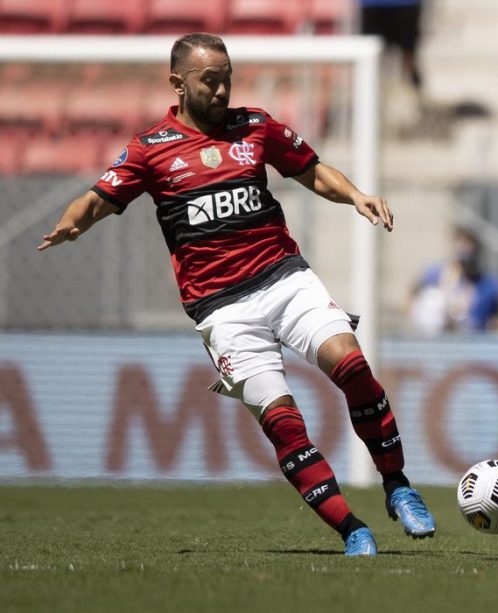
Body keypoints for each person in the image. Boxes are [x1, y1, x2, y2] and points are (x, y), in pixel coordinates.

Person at [37, 33, 435, 557]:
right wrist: (70, 226)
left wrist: (356, 195)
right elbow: (97, 200)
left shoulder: (257, 126)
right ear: (178, 83)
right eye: (210, 80)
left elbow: (310, 169)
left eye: (228, 77)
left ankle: (398, 485)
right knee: (284, 423)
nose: (223, 89)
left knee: (354, 367)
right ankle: (351, 530)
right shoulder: (150, 150)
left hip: (284, 278)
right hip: (221, 308)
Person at [409, 226, 498, 335]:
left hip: (474, 342)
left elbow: (497, 320)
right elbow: (413, 293)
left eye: (469, 245)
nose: (466, 251)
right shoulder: (435, 274)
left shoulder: (489, 284)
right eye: (462, 244)